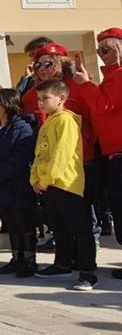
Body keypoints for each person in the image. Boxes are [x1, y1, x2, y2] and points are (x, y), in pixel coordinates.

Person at [30, 80, 97, 290]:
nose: (41, 103)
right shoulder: (48, 122)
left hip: (66, 183)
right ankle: (62, 263)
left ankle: (88, 270)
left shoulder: (66, 121)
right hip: (48, 185)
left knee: (79, 227)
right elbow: (40, 154)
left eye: (46, 98)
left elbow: (61, 154)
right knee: (58, 227)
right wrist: (35, 179)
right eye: (39, 99)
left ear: (61, 98)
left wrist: (47, 179)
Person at [72, 27, 122, 278]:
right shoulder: (112, 77)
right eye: (99, 50)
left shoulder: (119, 76)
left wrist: (85, 84)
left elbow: (104, 105)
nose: (102, 55)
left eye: (106, 49)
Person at [0, 89, 37, 278]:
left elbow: (19, 160)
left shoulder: (23, 128)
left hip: (17, 185)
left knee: (24, 223)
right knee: (11, 224)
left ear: (6, 105)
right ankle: (16, 257)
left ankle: (29, 260)